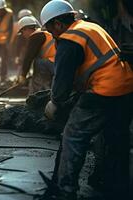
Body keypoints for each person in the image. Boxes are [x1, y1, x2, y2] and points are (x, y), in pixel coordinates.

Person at [40, 0, 133, 199]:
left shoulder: (70, 38)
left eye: (50, 29)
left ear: (57, 24)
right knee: (116, 139)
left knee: (73, 136)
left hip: (103, 91)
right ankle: (114, 185)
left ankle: (65, 191)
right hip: (126, 88)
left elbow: (62, 79)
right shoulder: (91, 26)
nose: (52, 35)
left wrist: (55, 102)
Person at [16, 16, 56, 95]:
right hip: (57, 64)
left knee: (38, 63)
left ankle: (35, 95)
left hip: (54, 64)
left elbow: (29, 57)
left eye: (22, 32)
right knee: (39, 63)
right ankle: (46, 91)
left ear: (25, 29)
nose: (23, 35)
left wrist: (23, 75)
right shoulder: (43, 33)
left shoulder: (35, 36)